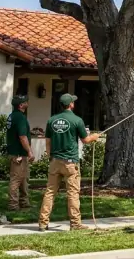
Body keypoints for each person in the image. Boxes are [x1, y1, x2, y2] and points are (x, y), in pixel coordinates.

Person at [37, 93, 101, 232]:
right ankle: (75, 224)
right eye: (73, 102)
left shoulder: (51, 120)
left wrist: (50, 157)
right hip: (70, 162)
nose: (74, 103)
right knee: (72, 193)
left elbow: (47, 141)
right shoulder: (77, 120)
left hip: (55, 161)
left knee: (49, 192)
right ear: (71, 104)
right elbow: (85, 140)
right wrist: (94, 137)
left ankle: (43, 223)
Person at [6, 93, 34, 211]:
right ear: (21, 105)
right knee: (16, 179)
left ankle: (24, 202)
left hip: (16, 152)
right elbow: (23, 137)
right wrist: (30, 152)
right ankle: (13, 205)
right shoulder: (20, 118)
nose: (28, 102)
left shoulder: (12, 116)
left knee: (23, 179)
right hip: (19, 154)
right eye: (26, 101)